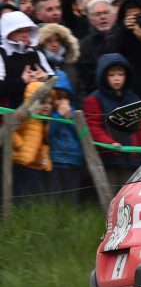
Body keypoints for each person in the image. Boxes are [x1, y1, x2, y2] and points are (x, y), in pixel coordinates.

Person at [83, 53, 141, 188]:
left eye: (120, 74)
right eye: (111, 75)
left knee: (129, 193)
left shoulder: (133, 98)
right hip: (109, 158)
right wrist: (109, 143)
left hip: (132, 157)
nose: (116, 79)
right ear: (103, 76)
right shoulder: (94, 100)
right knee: (110, 193)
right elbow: (93, 127)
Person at [0, 11, 54, 110]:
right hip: (11, 116)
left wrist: (45, 78)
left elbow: (54, 79)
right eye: (20, 31)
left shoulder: (36, 52)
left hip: (39, 113)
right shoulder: (2, 54)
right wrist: (22, 81)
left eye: (27, 30)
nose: (25, 35)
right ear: (8, 32)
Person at [11, 81, 53, 202]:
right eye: (43, 102)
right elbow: (10, 129)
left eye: (49, 103)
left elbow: (45, 142)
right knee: (20, 198)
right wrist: (21, 146)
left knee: (35, 200)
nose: (46, 106)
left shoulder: (45, 120)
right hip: (22, 164)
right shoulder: (25, 116)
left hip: (37, 165)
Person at [48, 71, 85, 203]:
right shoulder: (51, 114)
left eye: (65, 97)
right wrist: (59, 116)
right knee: (55, 198)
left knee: (71, 199)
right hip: (56, 161)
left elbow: (83, 136)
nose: (62, 101)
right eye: (58, 97)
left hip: (73, 161)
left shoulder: (76, 114)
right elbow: (49, 133)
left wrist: (70, 120)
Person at [77, 0, 115, 99]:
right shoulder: (84, 45)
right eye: (98, 14)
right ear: (90, 20)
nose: (103, 17)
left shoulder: (123, 39)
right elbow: (86, 79)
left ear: (113, 16)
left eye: (106, 12)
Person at [38, 23, 80, 95]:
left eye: (57, 40)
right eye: (49, 41)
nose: (55, 44)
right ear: (41, 43)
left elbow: (79, 90)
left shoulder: (69, 63)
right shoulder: (39, 66)